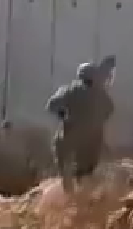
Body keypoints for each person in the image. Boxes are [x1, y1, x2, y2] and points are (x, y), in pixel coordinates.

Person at [44, 61, 113, 193]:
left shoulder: (69, 90)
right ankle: (83, 193)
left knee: (65, 164)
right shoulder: (100, 94)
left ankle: (69, 192)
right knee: (86, 172)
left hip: (70, 136)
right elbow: (109, 110)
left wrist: (62, 114)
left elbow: (52, 105)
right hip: (92, 140)